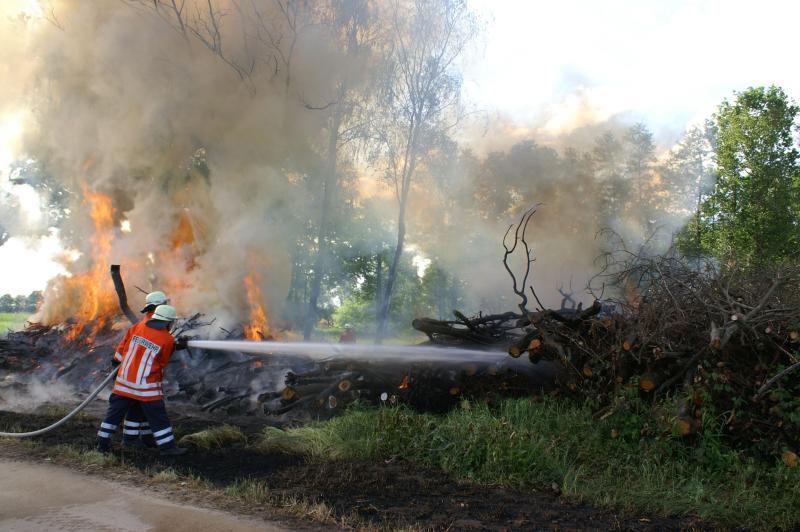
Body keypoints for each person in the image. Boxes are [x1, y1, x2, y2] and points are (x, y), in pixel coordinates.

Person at [96, 304, 189, 456]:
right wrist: (175, 346)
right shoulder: (167, 339)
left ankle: (101, 443)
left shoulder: (138, 327)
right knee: (158, 416)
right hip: (145, 387)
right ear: (168, 322)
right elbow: (162, 362)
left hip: (124, 382)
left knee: (113, 415)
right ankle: (168, 448)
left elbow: (125, 349)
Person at [122, 291, 169, 448]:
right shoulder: (155, 328)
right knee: (156, 412)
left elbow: (126, 348)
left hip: (131, 378)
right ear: (158, 307)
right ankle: (168, 446)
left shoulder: (142, 324)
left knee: (137, 409)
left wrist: (118, 362)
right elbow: (160, 355)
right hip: (146, 380)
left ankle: (131, 440)